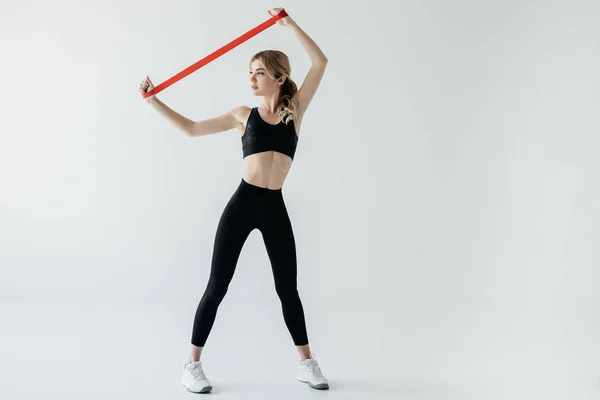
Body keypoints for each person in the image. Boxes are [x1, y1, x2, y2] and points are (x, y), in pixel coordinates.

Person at [139, 7, 329, 393]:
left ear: (280, 78)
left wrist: (288, 24)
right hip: (242, 205)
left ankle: (306, 363)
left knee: (287, 288)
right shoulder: (243, 115)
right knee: (217, 285)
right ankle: (191, 365)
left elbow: (320, 61)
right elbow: (192, 129)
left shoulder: (296, 111)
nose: (252, 79)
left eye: (259, 72)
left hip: (274, 205)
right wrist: (153, 101)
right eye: (249, 72)